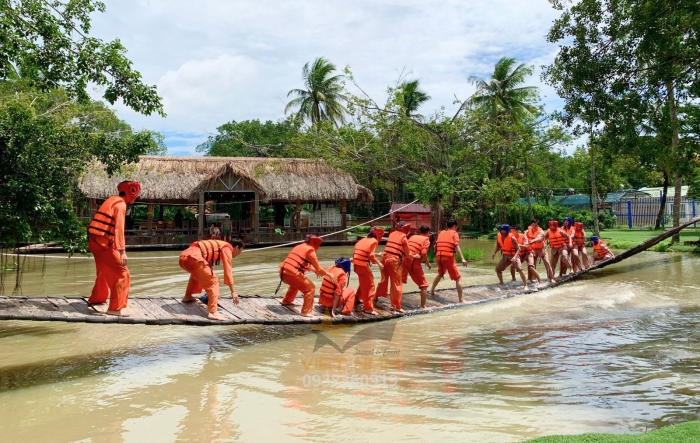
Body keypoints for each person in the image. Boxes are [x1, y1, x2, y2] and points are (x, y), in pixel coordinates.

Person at [87, 181, 141, 316]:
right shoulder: (121, 205)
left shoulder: (112, 200)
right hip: (103, 244)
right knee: (122, 273)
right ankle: (115, 308)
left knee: (103, 271)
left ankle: (97, 299)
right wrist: (122, 252)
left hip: (94, 242)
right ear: (131, 192)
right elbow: (119, 229)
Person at [180, 238, 244, 321]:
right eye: (240, 252)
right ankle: (213, 312)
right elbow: (228, 270)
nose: (238, 254)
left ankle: (187, 296)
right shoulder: (228, 248)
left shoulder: (221, 245)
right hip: (194, 257)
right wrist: (233, 291)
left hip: (184, 257)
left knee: (198, 273)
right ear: (236, 248)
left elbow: (206, 260)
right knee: (214, 281)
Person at [278, 235, 328, 317]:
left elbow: (303, 264)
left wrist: (315, 270)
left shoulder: (299, 246)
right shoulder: (310, 250)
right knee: (310, 288)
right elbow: (319, 268)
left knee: (296, 284)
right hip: (292, 274)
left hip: (283, 273)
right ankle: (306, 312)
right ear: (316, 243)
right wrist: (329, 274)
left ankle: (287, 300)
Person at [376, 222, 411, 312]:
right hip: (393, 261)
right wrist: (412, 257)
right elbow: (407, 254)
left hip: (383, 258)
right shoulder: (404, 237)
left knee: (383, 280)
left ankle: (375, 297)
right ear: (406, 230)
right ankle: (397, 306)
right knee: (396, 284)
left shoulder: (392, 234)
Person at [430, 220, 468, 302]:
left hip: (438, 256)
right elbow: (456, 246)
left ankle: (432, 290)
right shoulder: (455, 233)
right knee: (458, 278)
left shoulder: (441, 232)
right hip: (448, 256)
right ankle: (461, 300)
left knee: (440, 274)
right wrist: (462, 258)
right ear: (454, 226)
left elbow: (436, 245)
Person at [352, 227, 384, 315]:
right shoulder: (374, 241)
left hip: (356, 265)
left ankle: (357, 298)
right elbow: (371, 256)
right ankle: (368, 308)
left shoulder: (362, 240)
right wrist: (379, 263)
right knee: (370, 286)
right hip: (363, 265)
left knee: (363, 282)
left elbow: (364, 252)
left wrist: (377, 254)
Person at [402, 225, 432, 308]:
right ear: (428, 232)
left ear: (420, 231)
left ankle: (395, 303)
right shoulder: (427, 241)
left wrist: (427, 263)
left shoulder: (413, 236)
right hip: (413, 263)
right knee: (424, 285)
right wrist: (416, 256)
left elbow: (407, 247)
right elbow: (423, 253)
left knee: (399, 281)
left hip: (404, 260)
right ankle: (423, 307)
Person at [493, 224, 529, 290]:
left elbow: (518, 249)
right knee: (497, 269)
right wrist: (494, 253)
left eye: (504, 231)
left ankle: (525, 285)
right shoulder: (498, 236)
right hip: (505, 256)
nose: (503, 232)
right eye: (501, 230)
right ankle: (501, 282)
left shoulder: (512, 238)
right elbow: (498, 246)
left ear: (507, 231)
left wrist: (515, 257)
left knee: (520, 269)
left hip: (513, 255)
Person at [525, 219, 555, 284]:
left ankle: (551, 278)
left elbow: (539, 238)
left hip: (541, 249)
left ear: (537, 225)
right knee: (531, 264)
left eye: (535, 225)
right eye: (532, 224)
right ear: (531, 225)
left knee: (547, 263)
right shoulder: (527, 231)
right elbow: (524, 237)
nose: (534, 226)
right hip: (533, 249)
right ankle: (531, 279)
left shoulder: (541, 231)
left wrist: (531, 241)